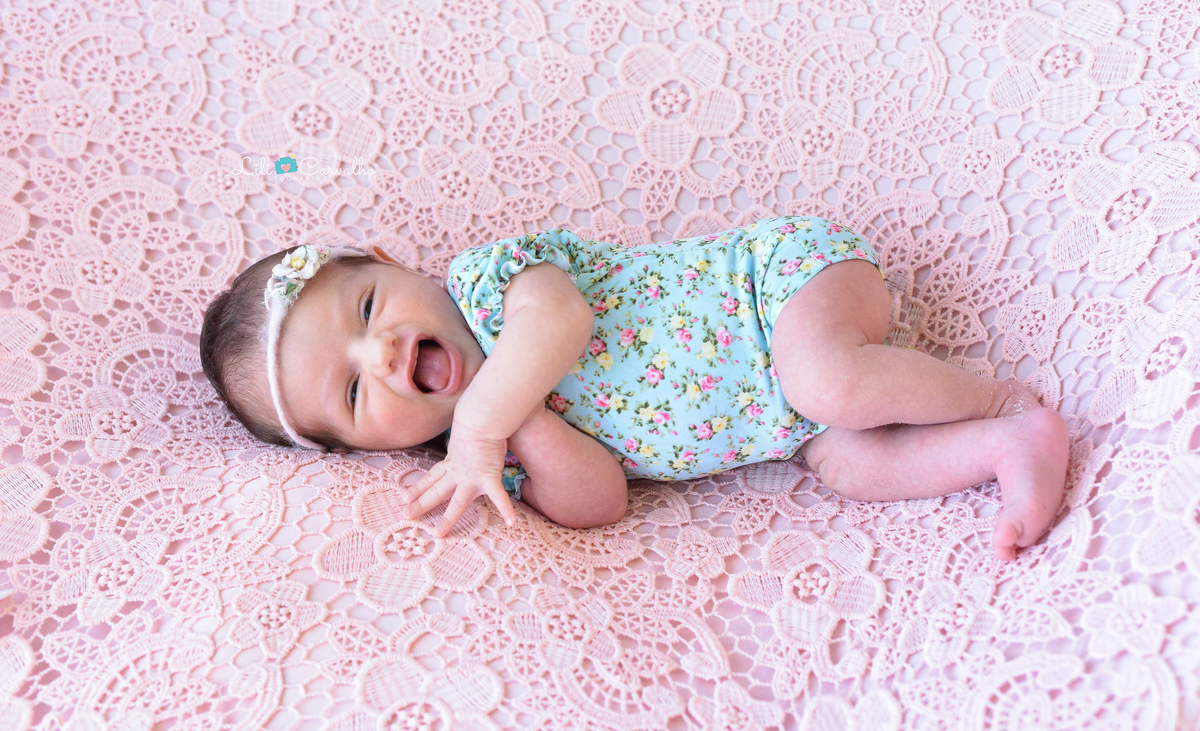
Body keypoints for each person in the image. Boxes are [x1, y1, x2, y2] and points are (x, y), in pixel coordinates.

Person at [199, 216, 1068, 560]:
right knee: (847, 462)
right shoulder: (494, 455)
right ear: (366, 451)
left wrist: (486, 420)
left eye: (368, 305)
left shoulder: (494, 282)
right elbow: (600, 500)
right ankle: (1003, 447)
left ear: (395, 265)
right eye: (354, 394)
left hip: (778, 291)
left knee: (829, 381)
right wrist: (511, 429)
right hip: (783, 427)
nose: (382, 352)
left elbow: (561, 325)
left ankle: (997, 399)